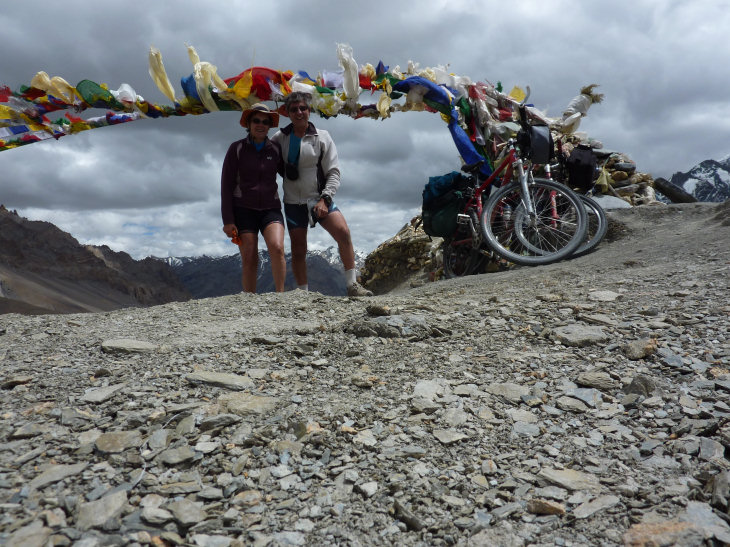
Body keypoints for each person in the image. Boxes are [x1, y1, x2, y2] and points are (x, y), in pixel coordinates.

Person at [271, 91, 372, 297]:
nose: (299, 112)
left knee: (343, 232)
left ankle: (352, 285)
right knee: (299, 249)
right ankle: (303, 293)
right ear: (287, 113)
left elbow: (333, 172)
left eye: (303, 108)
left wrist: (325, 199)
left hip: (319, 198)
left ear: (309, 110)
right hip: (293, 202)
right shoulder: (279, 138)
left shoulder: (322, 136)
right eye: (294, 109)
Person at [221, 103, 286, 293]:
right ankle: (249, 299)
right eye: (256, 120)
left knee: (277, 248)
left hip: (270, 208)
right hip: (243, 209)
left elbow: (289, 173)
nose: (261, 125)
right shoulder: (237, 149)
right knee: (249, 256)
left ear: (269, 126)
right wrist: (228, 220)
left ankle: (281, 298)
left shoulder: (275, 149)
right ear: (248, 123)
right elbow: (226, 185)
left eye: (265, 122)